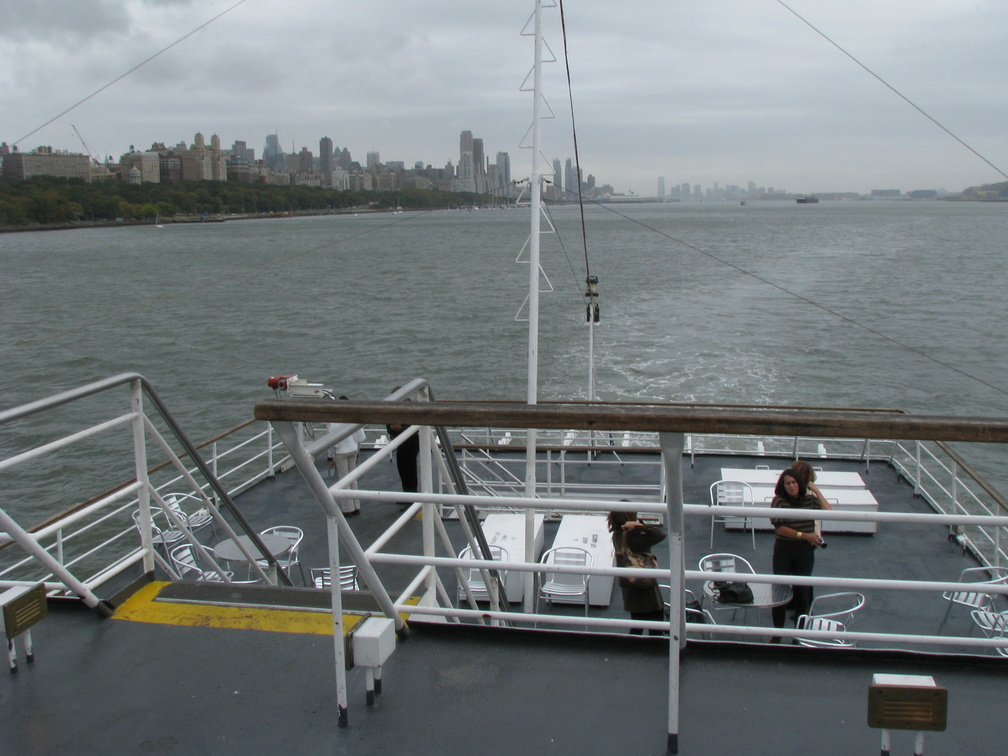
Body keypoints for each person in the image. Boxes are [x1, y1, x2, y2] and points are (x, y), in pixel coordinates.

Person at [770, 467, 831, 634]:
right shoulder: (778, 501)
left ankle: (799, 633)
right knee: (779, 593)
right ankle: (778, 633)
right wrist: (805, 536)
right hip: (783, 552)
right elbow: (780, 528)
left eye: (794, 482)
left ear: (800, 483)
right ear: (783, 486)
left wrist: (816, 491)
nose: (791, 486)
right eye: (787, 483)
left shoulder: (809, 500)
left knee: (802, 593)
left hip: (804, 553)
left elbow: (828, 512)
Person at [608, 510, 667, 635]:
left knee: (636, 624)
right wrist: (641, 526)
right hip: (645, 585)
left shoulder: (616, 535)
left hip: (630, 586)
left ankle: (633, 648)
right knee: (655, 625)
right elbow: (660, 535)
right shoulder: (635, 536)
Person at [330, 396, 367, 516]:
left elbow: (332, 442)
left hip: (341, 452)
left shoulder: (335, 421)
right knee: (353, 479)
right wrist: (358, 452)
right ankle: (357, 506)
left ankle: (348, 509)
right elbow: (360, 438)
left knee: (344, 480)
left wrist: (330, 457)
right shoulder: (353, 418)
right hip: (353, 450)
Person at [386, 390, 419, 507]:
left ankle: (412, 497)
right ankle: (407, 495)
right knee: (402, 469)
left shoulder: (411, 409)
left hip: (411, 442)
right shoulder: (392, 410)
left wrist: (399, 428)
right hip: (400, 443)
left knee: (410, 469)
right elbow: (388, 427)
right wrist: (393, 428)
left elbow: (416, 427)